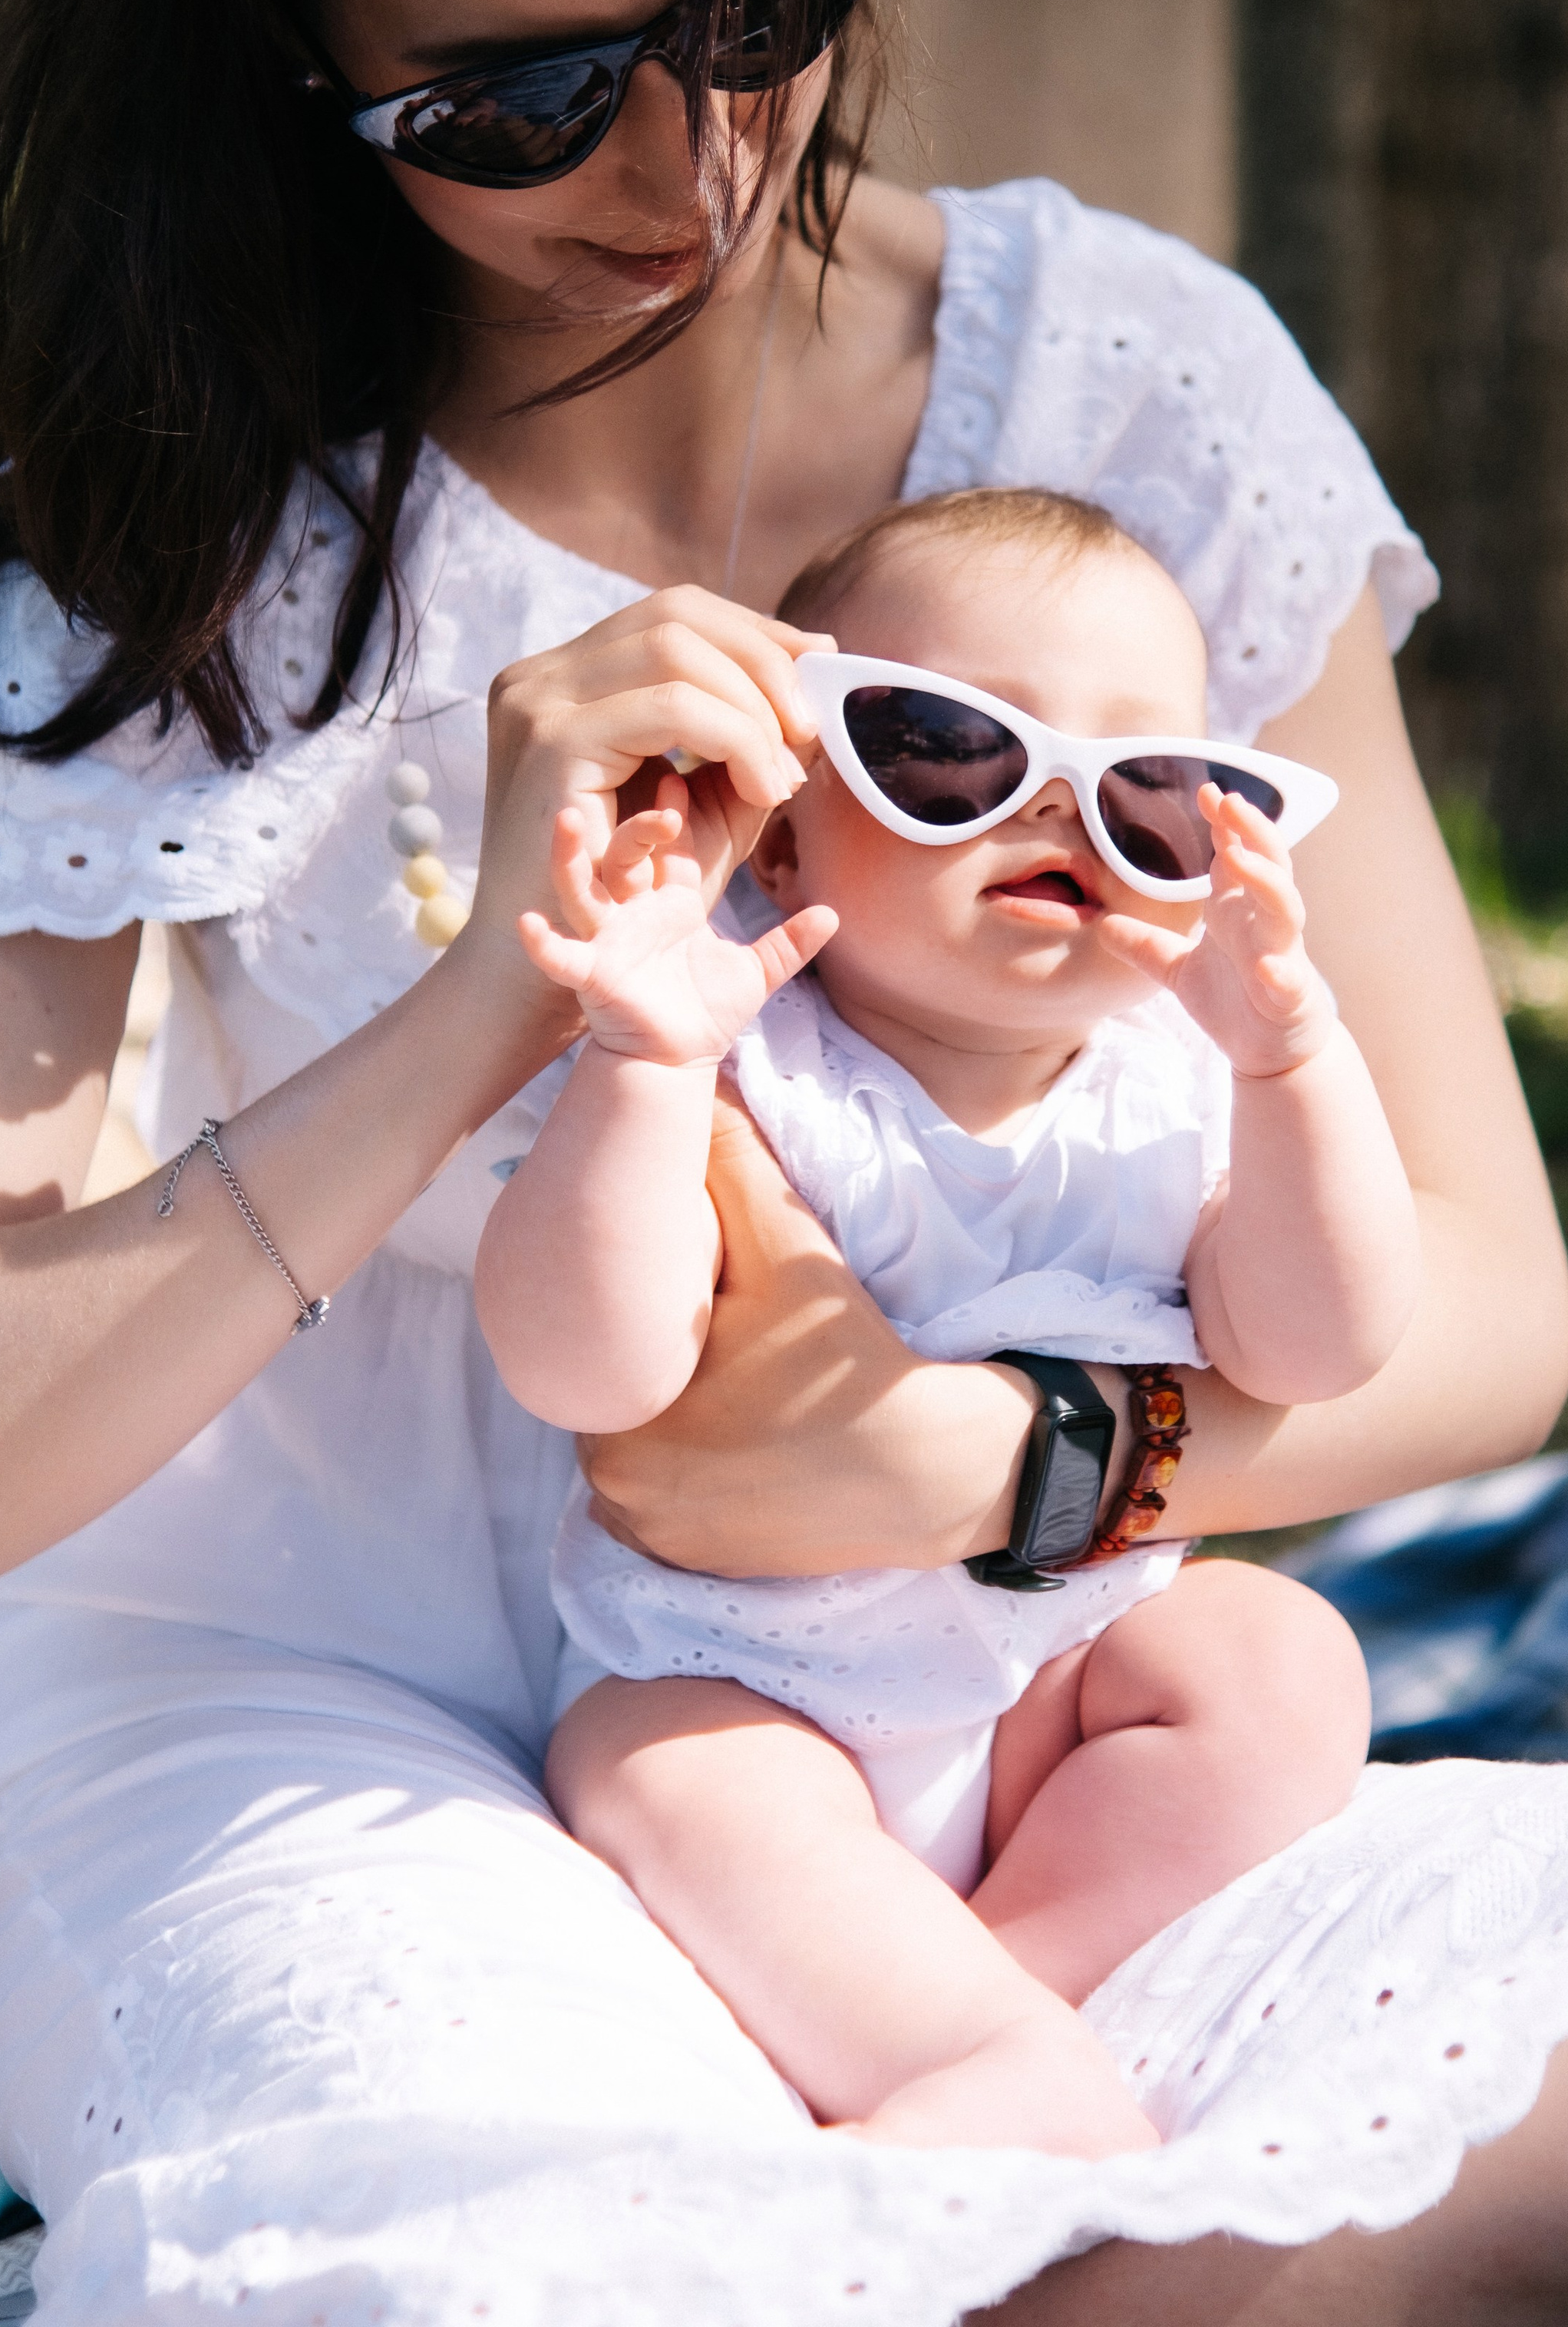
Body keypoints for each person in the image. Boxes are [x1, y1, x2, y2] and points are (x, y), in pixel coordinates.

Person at [0, 0, 1568, 2318]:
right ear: (287, 55)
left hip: (961, 1759)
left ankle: (942, 2209)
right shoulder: (141, 528)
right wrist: (501, 984)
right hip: (303, 1714)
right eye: (514, 98)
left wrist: (985, 1464)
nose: (694, 158)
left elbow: (1489, 1307)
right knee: (507, 2261)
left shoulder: (1127, 395)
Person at [483, 485, 1407, 2157]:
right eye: (945, 750)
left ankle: (994, 2002)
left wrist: (1294, 1061)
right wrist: (635, 1070)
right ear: (777, 833)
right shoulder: (734, 1050)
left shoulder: (1184, 1088)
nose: (1051, 814)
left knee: (1276, 1658)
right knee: (664, 1763)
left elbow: (1314, 1348)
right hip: (745, 1678)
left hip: (1052, 1681)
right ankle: (946, 2044)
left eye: (1152, 796)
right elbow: (579, 1365)